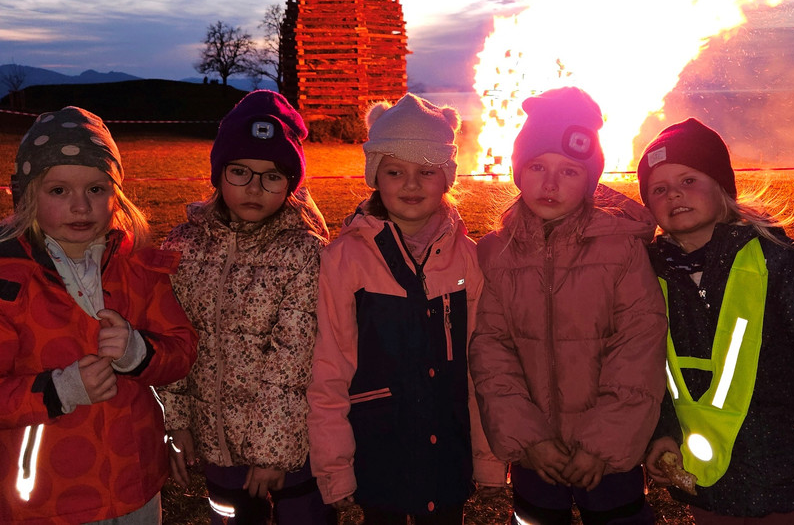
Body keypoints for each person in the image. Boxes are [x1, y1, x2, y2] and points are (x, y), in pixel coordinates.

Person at [0, 106, 198, 524]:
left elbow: (183, 350)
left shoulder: (140, 268)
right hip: (47, 502)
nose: (81, 206)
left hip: (137, 488)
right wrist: (57, 390)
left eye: (96, 189)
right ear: (26, 196)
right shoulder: (0, 284)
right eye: (58, 191)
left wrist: (140, 352)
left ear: (117, 194)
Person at [636, 118, 794, 524]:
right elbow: (649, 371)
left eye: (689, 180)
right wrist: (659, 434)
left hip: (781, 460)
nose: (674, 193)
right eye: (659, 189)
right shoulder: (644, 276)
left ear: (723, 187)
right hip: (700, 466)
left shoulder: (779, 261)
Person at [469, 86, 668, 525]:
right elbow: (492, 351)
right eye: (538, 166)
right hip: (536, 454)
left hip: (609, 457)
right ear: (519, 171)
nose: (551, 184)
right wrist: (529, 439)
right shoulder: (498, 253)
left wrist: (603, 444)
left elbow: (639, 346)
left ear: (591, 178)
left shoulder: (621, 249)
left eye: (569, 171)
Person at [307, 93, 506, 524]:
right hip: (378, 459)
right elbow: (329, 369)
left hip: (448, 459)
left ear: (448, 177)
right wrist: (335, 471)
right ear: (375, 176)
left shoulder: (468, 259)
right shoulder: (345, 259)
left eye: (426, 172)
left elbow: (482, 366)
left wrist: (487, 459)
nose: (411, 185)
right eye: (395, 171)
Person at [159, 90, 335, 525]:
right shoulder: (182, 246)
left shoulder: (305, 254)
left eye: (272, 176)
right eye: (240, 172)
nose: (254, 188)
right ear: (219, 175)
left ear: (291, 183)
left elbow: (295, 362)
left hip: (288, 452)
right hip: (214, 442)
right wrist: (176, 423)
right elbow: (171, 341)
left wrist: (271, 453)